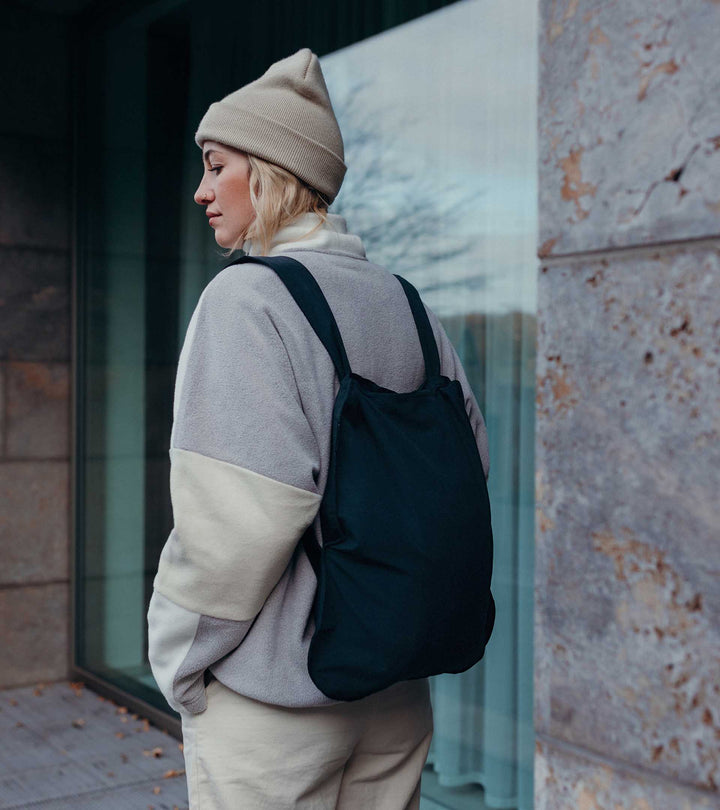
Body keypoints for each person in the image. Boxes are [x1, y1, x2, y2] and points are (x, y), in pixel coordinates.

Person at [147, 47, 491, 810]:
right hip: (397, 692)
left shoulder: (248, 302)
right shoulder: (410, 306)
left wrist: (178, 661)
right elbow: (466, 474)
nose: (201, 191)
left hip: (277, 711)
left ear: (270, 170)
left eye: (215, 165)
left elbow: (238, 521)